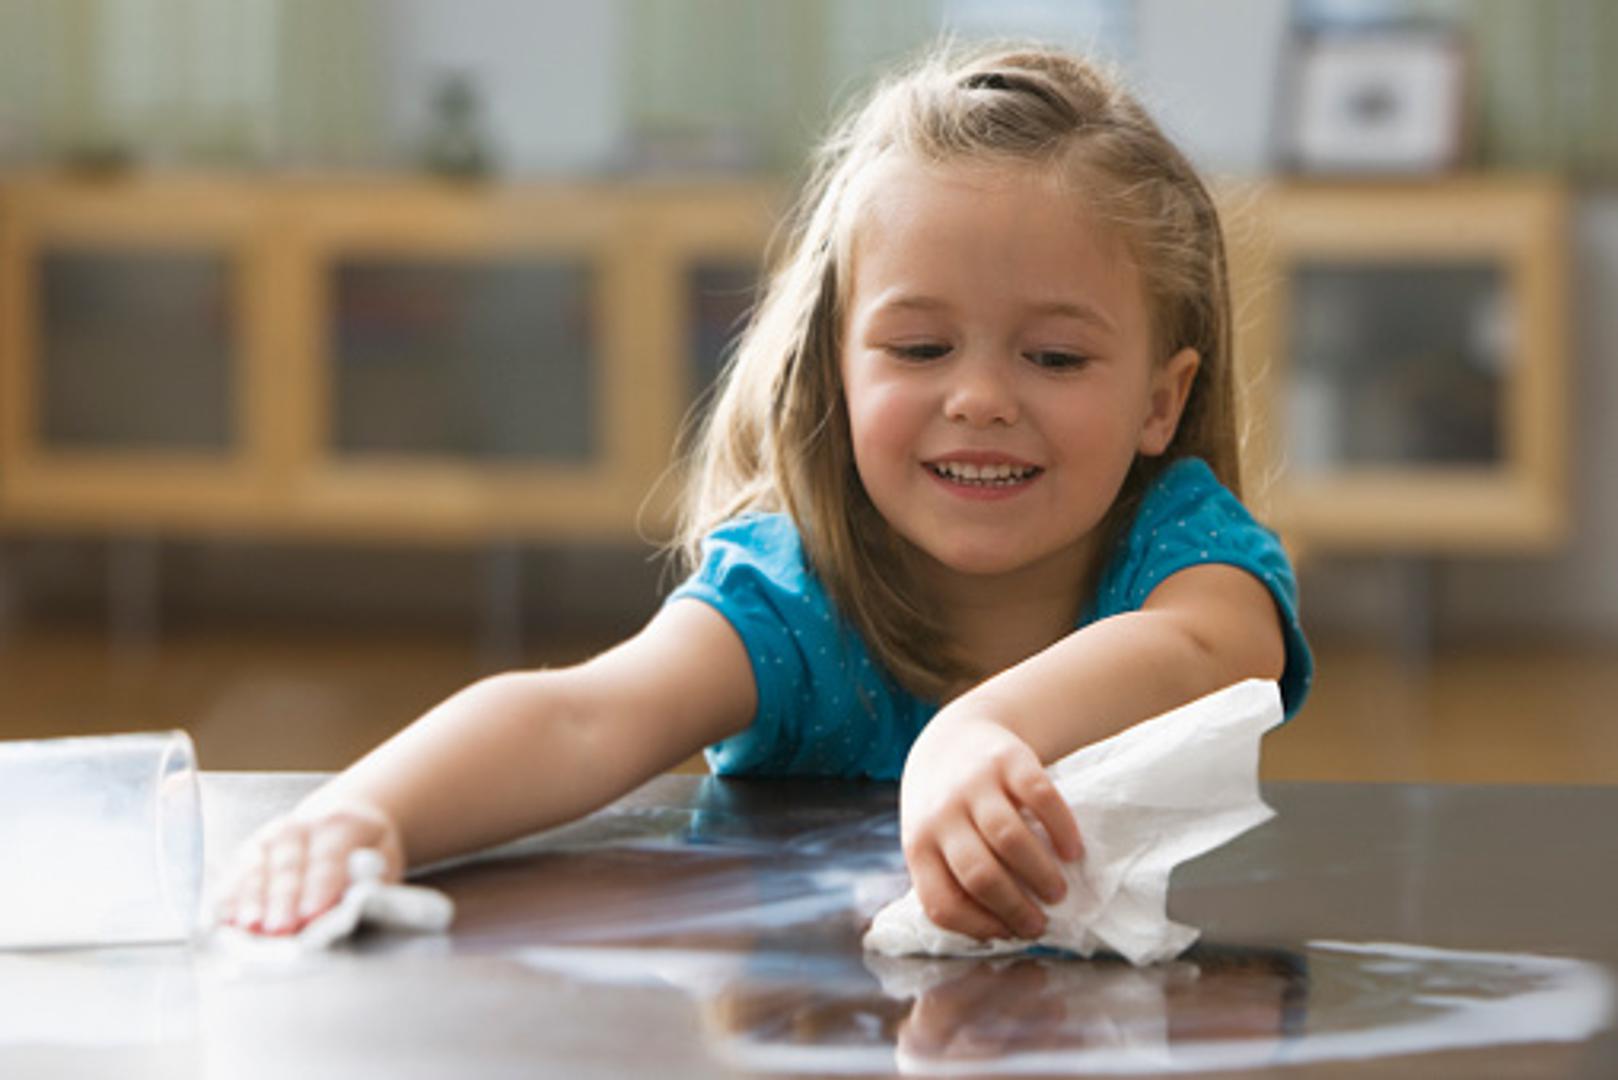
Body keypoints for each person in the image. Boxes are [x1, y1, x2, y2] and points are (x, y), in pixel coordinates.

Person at [221, 41, 1312, 946]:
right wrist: (365, 813)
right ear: (836, 365)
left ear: (1160, 403)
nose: (979, 399)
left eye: (1057, 359)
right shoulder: (800, 602)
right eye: (921, 346)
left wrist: (974, 734)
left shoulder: (1181, 546)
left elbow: (1212, 653)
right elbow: (580, 718)